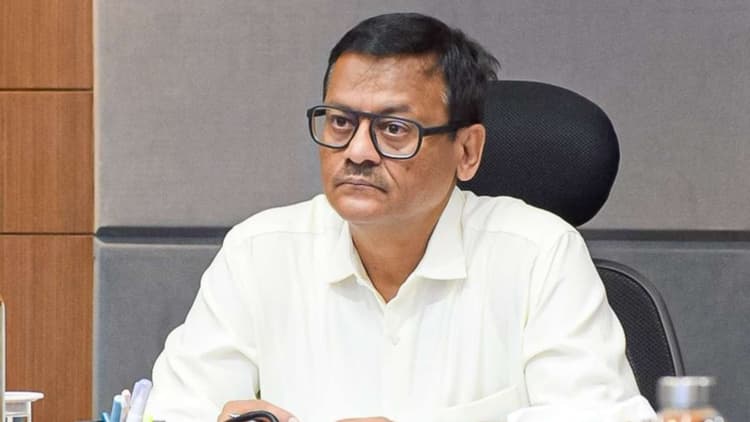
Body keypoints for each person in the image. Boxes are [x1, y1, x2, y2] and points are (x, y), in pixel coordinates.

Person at [146, 12, 655, 422]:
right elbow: (174, 410)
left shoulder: (538, 255)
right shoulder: (258, 252)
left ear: (467, 151)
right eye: (341, 122)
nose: (357, 151)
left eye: (393, 129)